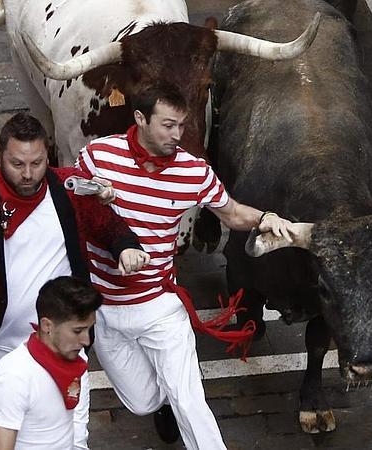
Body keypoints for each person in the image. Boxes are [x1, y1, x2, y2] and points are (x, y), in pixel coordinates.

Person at [0, 112, 150, 449]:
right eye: (18, 164)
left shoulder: (69, 189)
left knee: (76, 438)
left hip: (63, 340)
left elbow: (106, 224)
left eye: (37, 163)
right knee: (16, 435)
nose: (29, 174)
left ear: (48, 156)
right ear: (0, 156)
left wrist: (126, 247)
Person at [76, 82, 295, 449]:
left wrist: (266, 217)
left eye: (181, 124)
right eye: (168, 125)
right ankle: (162, 401)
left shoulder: (193, 171)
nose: (178, 135)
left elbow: (232, 212)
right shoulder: (99, 156)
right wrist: (92, 193)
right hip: (105, 308)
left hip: (159, 304)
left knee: (189, 400)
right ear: (140, 118)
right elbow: (70, 199)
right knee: (141, 400)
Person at [0, 276, 102, 450]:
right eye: (77, 331)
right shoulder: (14, 376)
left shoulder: (74, 363)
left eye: (89, 328)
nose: (87, 341)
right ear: (47, 325)